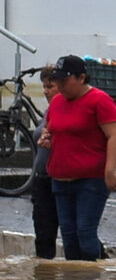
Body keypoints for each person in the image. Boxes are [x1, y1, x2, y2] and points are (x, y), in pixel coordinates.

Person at [41, 56, 116, 259]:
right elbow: (51, 127)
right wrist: (46, 136)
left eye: (64, 81)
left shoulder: (99, 100)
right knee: (69, 236)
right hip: (61, 179)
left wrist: (110, 170)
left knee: (85, 232)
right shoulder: (57, 102)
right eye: (57, 81)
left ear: (81, 78)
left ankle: (90, 279)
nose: (60, 85)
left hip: (91, 179)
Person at [29, 64, 61, 258]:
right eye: (44, 86)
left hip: (57, 179)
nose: (46, 91)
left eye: (50, 86)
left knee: (73, 230)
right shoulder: (50, 110)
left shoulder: (66, 109)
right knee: (43, 235)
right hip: (42, 179)